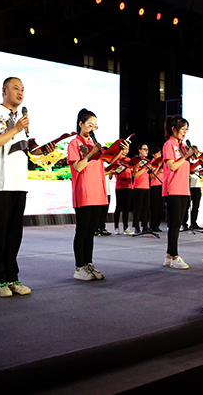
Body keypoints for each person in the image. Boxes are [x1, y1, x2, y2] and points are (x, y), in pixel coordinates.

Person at [0, 77, 54, 297]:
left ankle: (12, 278)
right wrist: (16, 128)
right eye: (16, 88)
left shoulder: (23, 122)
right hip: (0, 183)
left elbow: (30, 149)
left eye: (22, 89)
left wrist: (44, 150)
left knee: (14, 234)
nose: (20, 92)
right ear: (4, 90)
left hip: (19, 182)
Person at [68, 109, 128, 280]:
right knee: (82, 230)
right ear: (81, 124)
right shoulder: (75, 143)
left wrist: (120, 152)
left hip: (98, 191)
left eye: (95, 125)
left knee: (91, 231)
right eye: (90, 124)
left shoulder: (95, 144)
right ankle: (79, 267)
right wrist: (91, 153)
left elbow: (108, 161)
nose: (92, 128)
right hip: (84, 191)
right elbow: (78, 167)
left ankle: (88, 263)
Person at [161, 116, 196, 269]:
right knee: (174, 224)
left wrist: (196, 160)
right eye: (182, 129)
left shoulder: (182, 146)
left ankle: (169, 256)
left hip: (184, 188)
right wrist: (186, 156)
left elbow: (185, 167)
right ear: (173, 129)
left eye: (186, 129)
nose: (185, 132)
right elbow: (173, 166)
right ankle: (175, 256)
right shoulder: (169, 144)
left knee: (178, 222)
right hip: (173, 188)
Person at [131, 143, 151, 234]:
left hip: (147, 186)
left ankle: (145, 226)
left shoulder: (148, 161)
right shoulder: (136, 161)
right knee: (138, 207)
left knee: (146, 208)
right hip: (138, 187)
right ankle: (136, 227)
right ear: (139, 150)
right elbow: (135, 175)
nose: (146, 151)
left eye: (147, 149)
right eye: (144, 149)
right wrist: (144, 168)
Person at [185, 145, 203, 233]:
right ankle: (184, 223)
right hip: (189, 186)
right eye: (194, 152)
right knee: (186, 206)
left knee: (196, 206)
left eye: (196, 152)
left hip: (197, 186)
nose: (195, 153)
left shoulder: (198, 162)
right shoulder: (188, 161)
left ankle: (194, 223)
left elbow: (199, 172)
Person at [112, 156, 134, 235]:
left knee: (126, 208)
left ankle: (125, 227)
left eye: (127, 150)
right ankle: (116, 227)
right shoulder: (117, 159)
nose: (126, 151)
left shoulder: (129, 160)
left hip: (129, 186)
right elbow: (116, 171)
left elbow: (132, 172)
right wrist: (124, 166)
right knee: (118, 207)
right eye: (124, 149)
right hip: (120, 186)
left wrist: (134, 168)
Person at [148, 147, 164, 233]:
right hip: (154, 186)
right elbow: (152, 176)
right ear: (153, 155)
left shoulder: (162, 163)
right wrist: (158, 169)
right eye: (157, 153)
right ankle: (152, 225)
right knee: (154, 207)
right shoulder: (151, 164)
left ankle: (157, 225)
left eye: (160, 153)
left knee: (160, 207)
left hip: (162, 185)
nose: (159, 155)